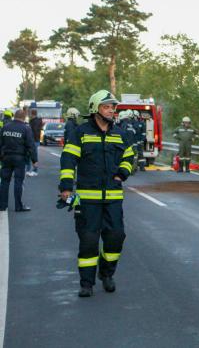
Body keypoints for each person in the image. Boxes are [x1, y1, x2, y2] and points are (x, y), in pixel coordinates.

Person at [59, 90, 134, 297]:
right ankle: (86, 283)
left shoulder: (119, 133)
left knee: (116, 238)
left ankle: (106, 274)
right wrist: (66, 187)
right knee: (89, 241)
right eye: (106, 107)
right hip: (86, 200)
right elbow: (68, 160)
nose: (111, 110)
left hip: (113, 198)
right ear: (95, 109)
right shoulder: (81, 132)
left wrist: (122, 173)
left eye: (112, 107)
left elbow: (129, 156)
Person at [0, 110, 37, 212]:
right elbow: (31, 145)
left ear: (14, 116)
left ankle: (2, 206)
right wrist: (34, 160)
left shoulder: (5, 127)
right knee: (18, 182)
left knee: (4, 182)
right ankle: (18, 206)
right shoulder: (26, 128)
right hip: (19, 159)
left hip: (6, 158)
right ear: (24, 117)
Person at [26, 109, 43, 176]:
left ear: (32, 114)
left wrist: (31, 139)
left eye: (30, 113)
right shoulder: (36, 120)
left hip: (33, 140)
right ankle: (30, 170)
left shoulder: (34, 121)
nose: (29, 115)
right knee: (31, 155)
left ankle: (34, 170)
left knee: (32, 155)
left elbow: (34, 131)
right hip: (35, 140)